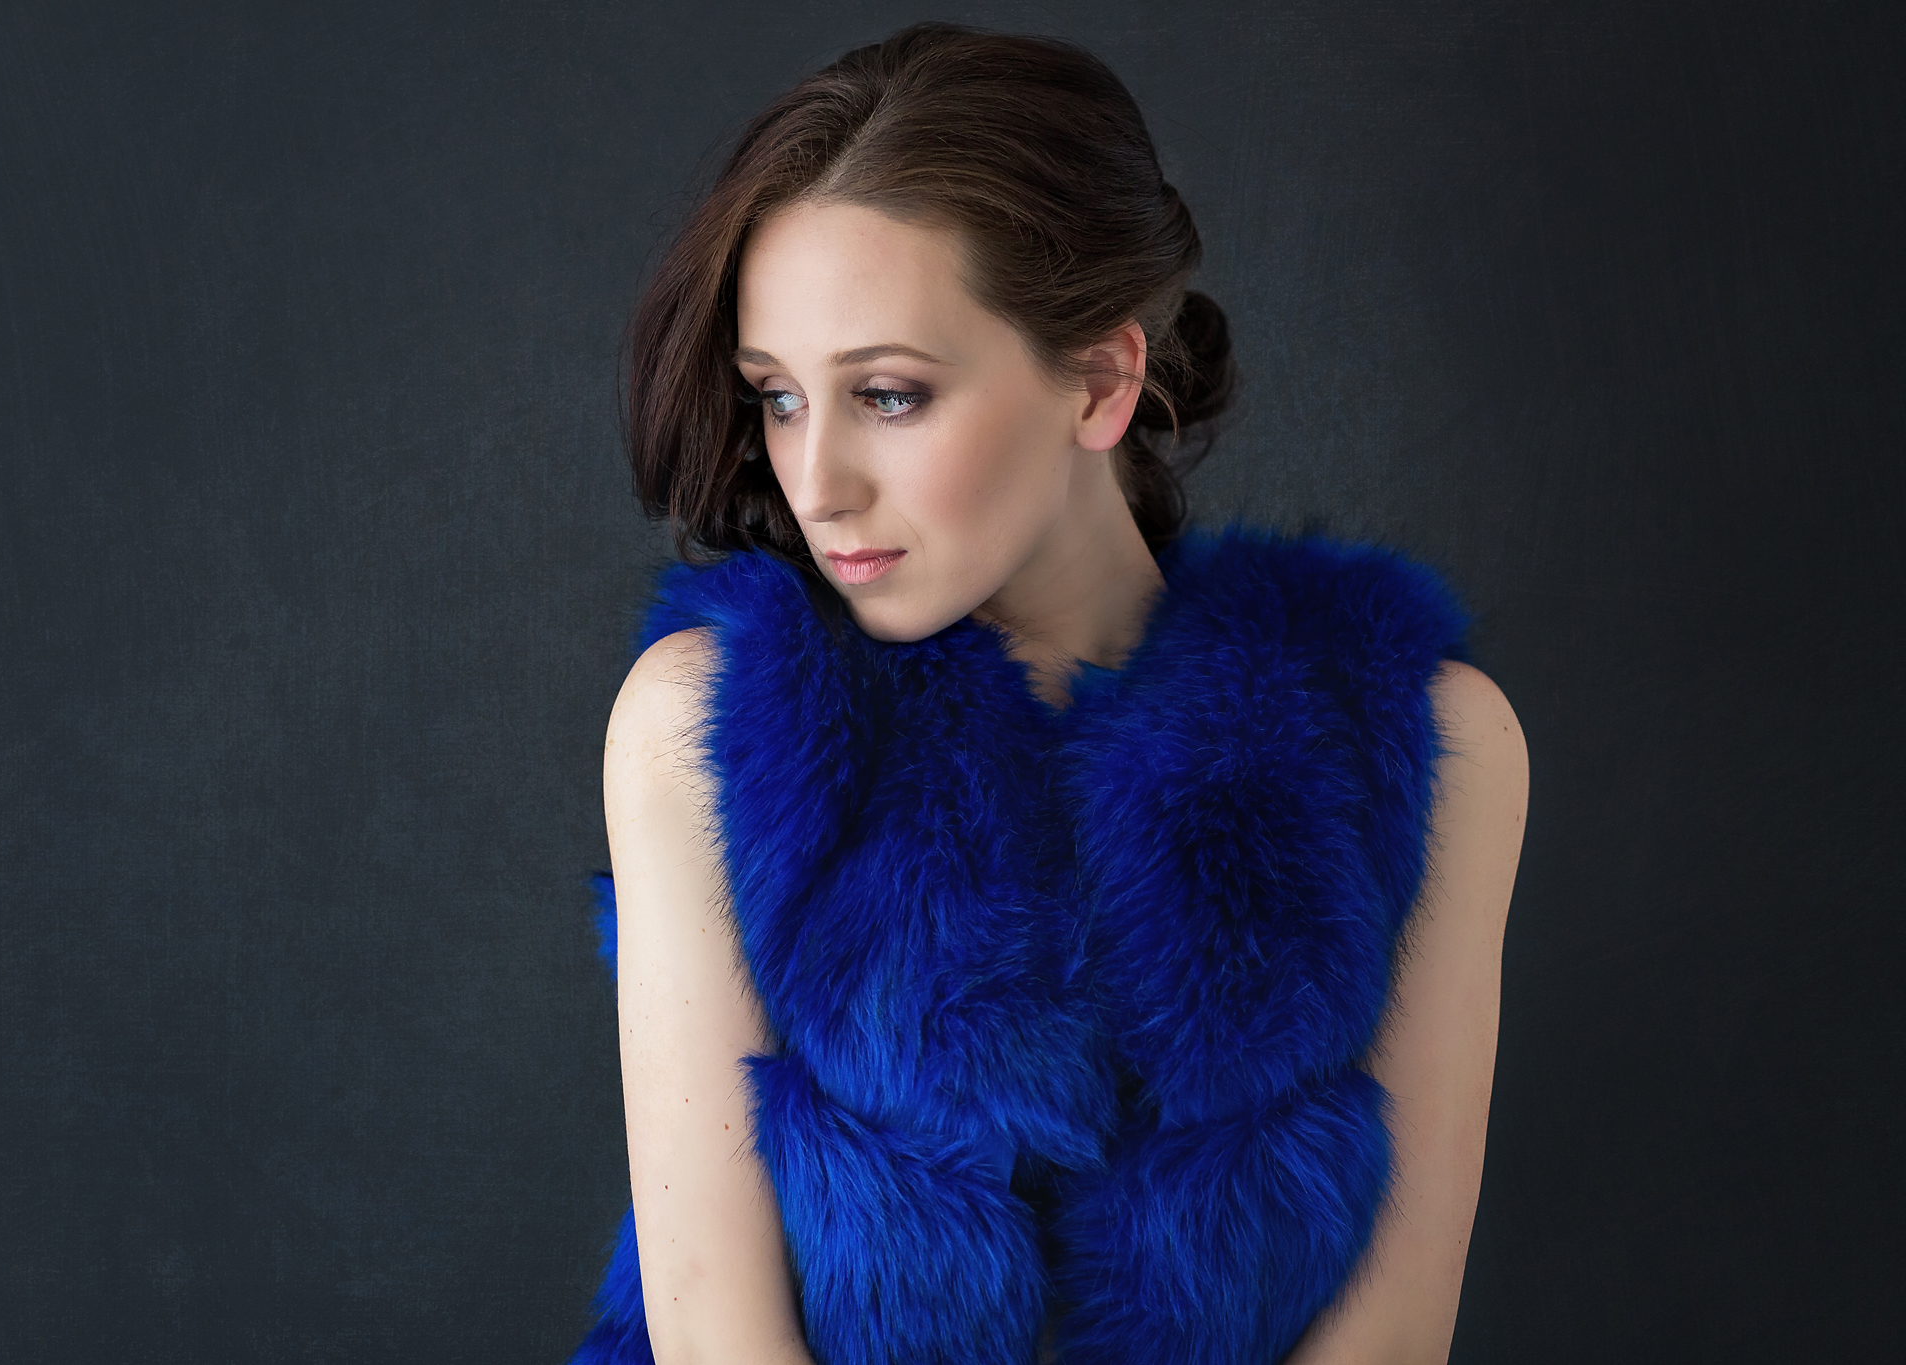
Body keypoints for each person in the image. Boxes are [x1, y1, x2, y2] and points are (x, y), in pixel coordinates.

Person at [568, 22, 1526, 1365]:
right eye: (777, 399)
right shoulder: (710, 727)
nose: (816, 482)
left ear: (1100, 379)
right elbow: (715, 1333)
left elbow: (1398, 1319)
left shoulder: (1423, 737)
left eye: (887, 395)